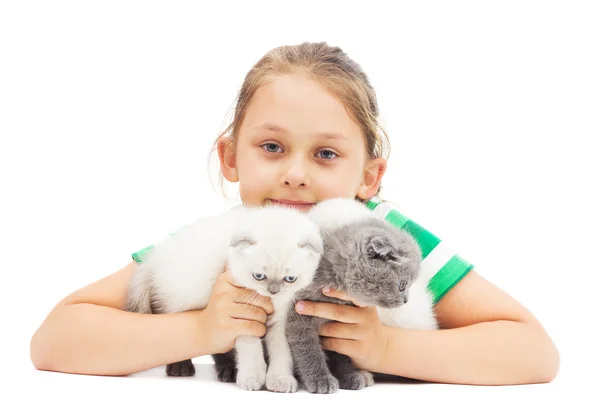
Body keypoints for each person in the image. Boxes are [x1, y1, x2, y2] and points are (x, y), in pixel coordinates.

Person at [29, 41, 559, 385]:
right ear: (231, 158)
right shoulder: (228, 242)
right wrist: (202, 330)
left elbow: (534, 353)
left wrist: (386, 345)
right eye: (273, 148)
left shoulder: (387, 240)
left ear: (369, 177)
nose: (296, 174)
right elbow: (54, 341)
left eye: (326, 154)